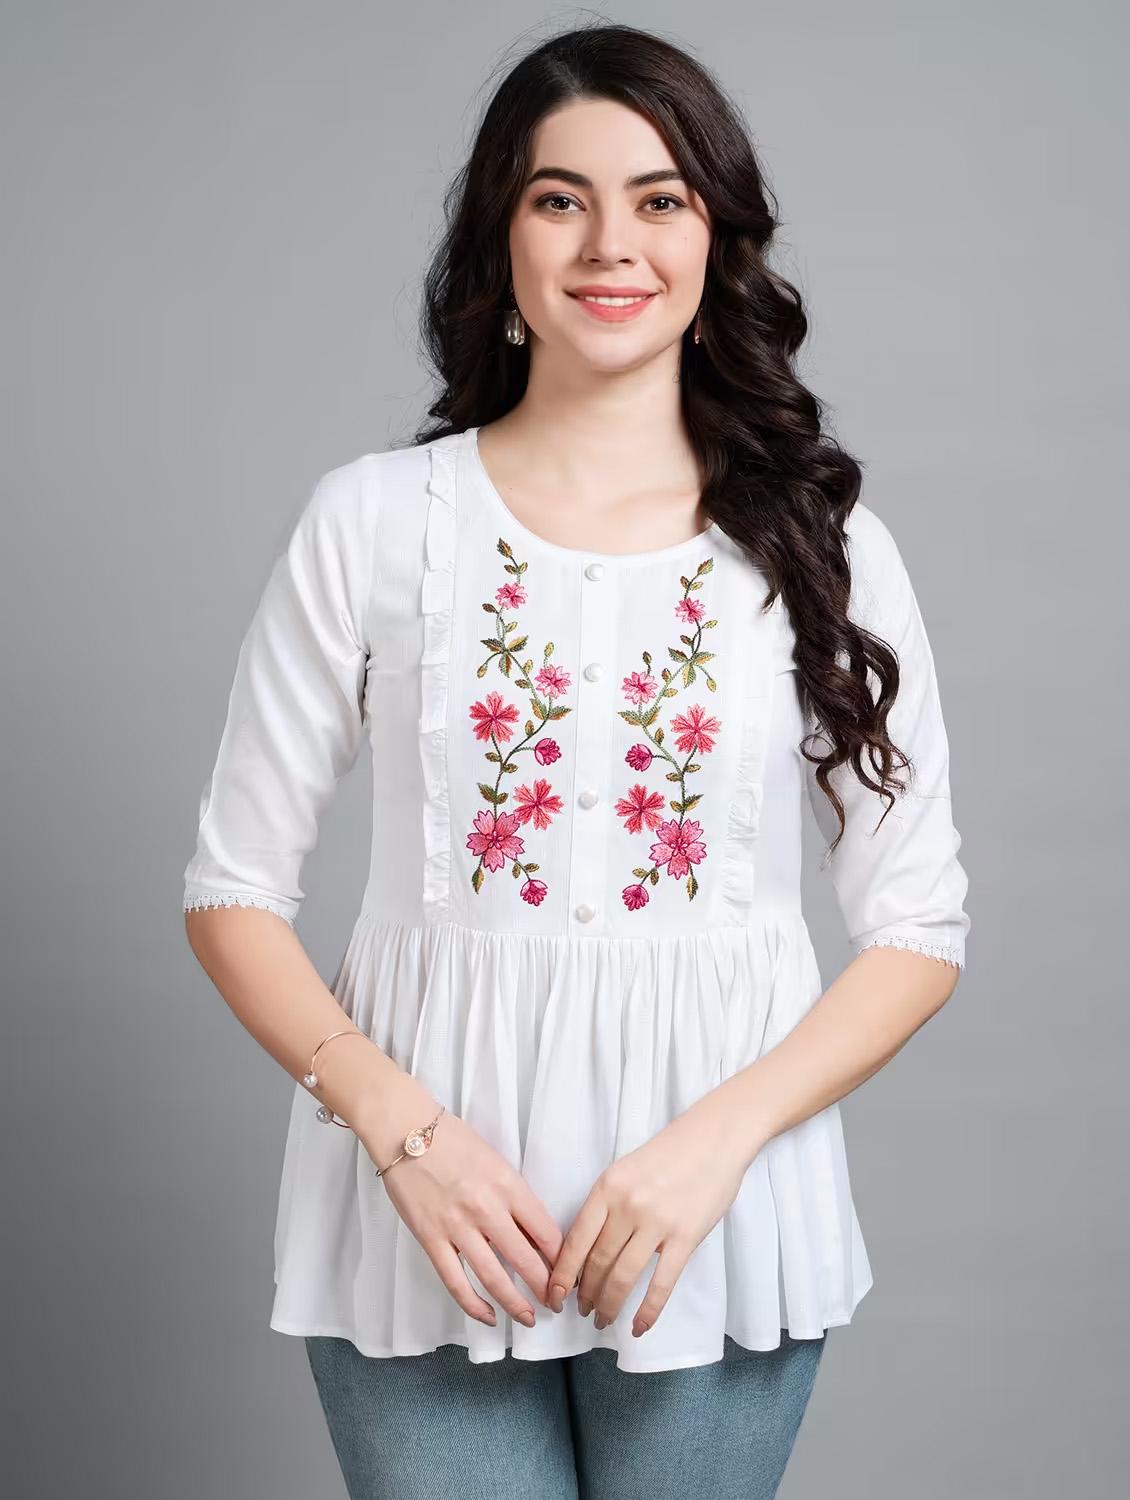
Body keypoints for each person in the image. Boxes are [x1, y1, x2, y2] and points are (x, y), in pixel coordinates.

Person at [182, 22, 971, 1500]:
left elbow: (917, 925)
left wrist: (714, 1147)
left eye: (660, 199)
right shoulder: (373, 522)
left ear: (715, 238)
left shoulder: (822, 544)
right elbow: (231, 891)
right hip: (424, 1213)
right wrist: (405, 1136)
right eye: (562, 199)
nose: (613, 244)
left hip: (718, 1214)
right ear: (502, 236)